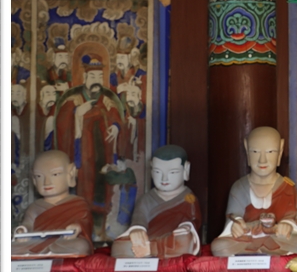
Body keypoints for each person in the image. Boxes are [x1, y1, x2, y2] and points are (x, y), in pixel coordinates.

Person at [54, 54, 126, 239]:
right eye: (92, 76)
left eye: (99, 77)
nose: (96, 81)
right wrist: (77, 114)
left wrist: (116, 127)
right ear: (84, 77)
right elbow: (62, 126)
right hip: (83, 158)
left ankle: (101, 231)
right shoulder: (74, 102)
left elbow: (116, 117)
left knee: (103, 193)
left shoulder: (106, 101)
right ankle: (81, 230)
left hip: (103, 156)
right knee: (84, 192)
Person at [211, 126, 297, 256]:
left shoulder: (287, 187)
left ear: (280, 151)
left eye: (270, 152)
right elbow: (232, 216)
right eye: (255, 152)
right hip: (248, 237)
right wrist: (236, 225)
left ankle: (255, 254)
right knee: (219, 246)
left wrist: (286, 225)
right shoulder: (239, 187)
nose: (262, 160)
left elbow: (291, 217)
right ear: (247, 150)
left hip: (275, 237)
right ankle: (265, 253)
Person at [111, 145, 201, 258]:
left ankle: (150, 250)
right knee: (120, 245)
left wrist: (185, 227)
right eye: (158, 172)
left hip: (172, 238)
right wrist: (137, 229)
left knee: (184, 240)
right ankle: (152, 250)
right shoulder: (146, 199)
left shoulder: (188, 198)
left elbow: (193, 220)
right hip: (148, 238)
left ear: (186, 170)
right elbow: (139, 218)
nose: (164, 179)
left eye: (173, 172)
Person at [11, 150, 93, 259]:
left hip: (62, 242)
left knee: (80, 245)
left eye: (55, 174)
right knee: (10, 248)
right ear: (34, 179)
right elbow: (28, 224)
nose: (47, 182)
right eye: (39, 176)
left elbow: (84, 222)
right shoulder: (35, 206)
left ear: (71, 174)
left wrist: (77, 226)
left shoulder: (78, 203)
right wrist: (22, 230)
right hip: (37, 243)